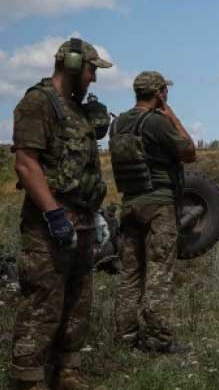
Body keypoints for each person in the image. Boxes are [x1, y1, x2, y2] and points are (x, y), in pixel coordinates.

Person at [9, 38, 113, 390]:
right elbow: (26, 163)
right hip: (48, 227)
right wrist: (53, 214)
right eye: (91, 70)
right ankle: (28, 380)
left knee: (78, 304)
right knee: (42, 306)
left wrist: (93, 214)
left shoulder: (75, 109)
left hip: (82, 221)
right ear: (71, 65)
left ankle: (67, 372)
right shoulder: (37, 103)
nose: (93, 79)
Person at [110, 71, 196, 355]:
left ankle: (125, 338)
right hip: (159, 205)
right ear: (159, 93)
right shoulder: (158, 122)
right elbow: (189, 152)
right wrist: (172, 115)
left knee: (130, 275)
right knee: (159, 273)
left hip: (130, 205)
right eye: (164, 91)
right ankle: (158, 341)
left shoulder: (120, 123)